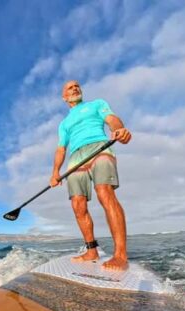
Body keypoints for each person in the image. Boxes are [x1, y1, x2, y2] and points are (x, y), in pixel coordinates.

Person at [50, 80, 132, 271]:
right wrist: (55, 172)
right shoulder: (63, 124)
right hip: (75, 157)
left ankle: (120, 254)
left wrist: (118, 129)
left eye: (77, 86)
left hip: (99, 147)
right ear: (64, 97)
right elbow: (61, 149)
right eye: (70, 87)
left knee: (105, 192)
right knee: (78, 205)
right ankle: (91, 250)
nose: (75, 88)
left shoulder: (97, 104)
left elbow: (111, 119)